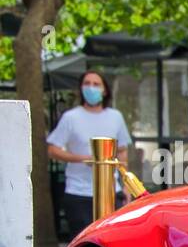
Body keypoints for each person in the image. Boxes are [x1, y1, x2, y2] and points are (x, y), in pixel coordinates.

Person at [46, 70, 133, 237]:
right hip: (78, 192)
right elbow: (52, 149)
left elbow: (122, 152)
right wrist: (83, 159)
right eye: (87, 84)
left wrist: (127, 187)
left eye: (96, 84)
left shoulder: (115, 117)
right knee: (83, 241)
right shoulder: (71, 117)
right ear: (80, 89)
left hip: (110, 192)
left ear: (104, 90)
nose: (91, 88)